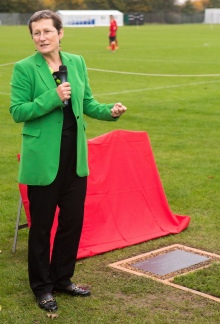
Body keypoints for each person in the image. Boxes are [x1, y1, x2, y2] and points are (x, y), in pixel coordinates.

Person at [10, 10, 127, 312]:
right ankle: (42, 288)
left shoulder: (76, 62)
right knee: (41, 228)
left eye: (47, 31)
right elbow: (18, 111)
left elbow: (86, 102)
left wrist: (109, 111)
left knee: (71, 224)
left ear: (60, 34)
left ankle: (62, 279)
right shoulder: (24, 68)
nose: (42, 37)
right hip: (43, 161)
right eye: (36, 33)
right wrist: (52, 95)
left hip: (75, 159)